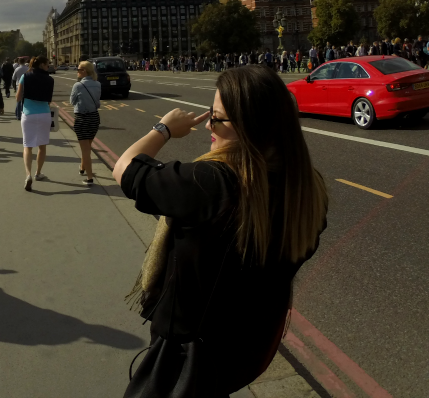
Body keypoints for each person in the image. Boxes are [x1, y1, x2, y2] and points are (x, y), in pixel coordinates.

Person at [113, 65, 328, 396]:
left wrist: (164, 128)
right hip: (245, 349)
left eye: (217, 118)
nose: (209, 126)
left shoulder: (210, 183)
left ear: (248, 126)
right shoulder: (308, 189)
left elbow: (126, 168)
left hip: (186, 358)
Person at [16, 55, 54, 191]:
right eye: (47, 64)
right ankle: (38, 173)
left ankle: (28, 175)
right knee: (42, 146)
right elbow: (49, 100)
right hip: (44, 114)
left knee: (28, 146)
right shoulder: (50, 79)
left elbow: (18, 97)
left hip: (28, 114)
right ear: (42, 65)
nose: (48, 66)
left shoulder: (25, 77)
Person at [70, 61, 101, 183]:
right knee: (88, 146)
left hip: (82, 118)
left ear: (84, 71)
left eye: (78, 70)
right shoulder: (98, 84)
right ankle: (83, 167)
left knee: (85, 150)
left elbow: (72, 101)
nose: (77, 72)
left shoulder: (78, 86)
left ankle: (89, 178)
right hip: (94, 118)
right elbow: (98, 102)